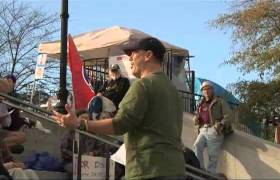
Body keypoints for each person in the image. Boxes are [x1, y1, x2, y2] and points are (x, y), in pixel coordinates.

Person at [53, 37, 186, 180]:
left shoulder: (143, 85)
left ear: (148, 55)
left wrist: (80, 124)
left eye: (133, 53)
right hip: (175, 169)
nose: (130, 59)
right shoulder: (173, 91)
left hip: (148, 170)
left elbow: (121, 123)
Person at [193, 81, 232, 174]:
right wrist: (196, 118)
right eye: (204, 89)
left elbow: (229, 115)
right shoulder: (201, 103)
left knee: (212, 156)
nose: (206, 91)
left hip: (214, 130)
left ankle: (210, 174)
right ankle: (200, 170)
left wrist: (221, 125)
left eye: (208, 89)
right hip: (203, 129)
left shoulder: (220, 101)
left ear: (212, 90)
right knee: (197, 145)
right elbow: (197, 114)